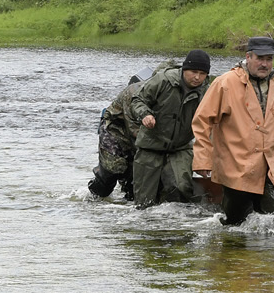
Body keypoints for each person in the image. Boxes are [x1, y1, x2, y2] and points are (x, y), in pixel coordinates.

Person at [192, 36, 274, 225]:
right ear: (248, 57)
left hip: (271, 168)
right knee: (234, 227)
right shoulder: (225, 83)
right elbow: (202, 121)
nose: (265, 64)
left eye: (269, 59)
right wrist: (202, 160)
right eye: (260, 58)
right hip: (236, 168)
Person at [129, 49, 211, 209]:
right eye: (194, 72)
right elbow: (137, 100)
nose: (197, 77)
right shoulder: (163, 80)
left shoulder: (208, 91)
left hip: (180, 148)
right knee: (144, 202)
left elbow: (214, 123)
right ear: (184, 70)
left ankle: (175, 228)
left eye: (202, 74)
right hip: (150, 145)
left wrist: (205, 159)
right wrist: (145, 114)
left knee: (181, 189)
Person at [87, 65, 152, 200]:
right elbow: (133, 129)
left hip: (140, 135)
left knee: (134, 183)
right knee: (112, 171)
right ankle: (94, 192)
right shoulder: (133, 94)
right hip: (114, 131)